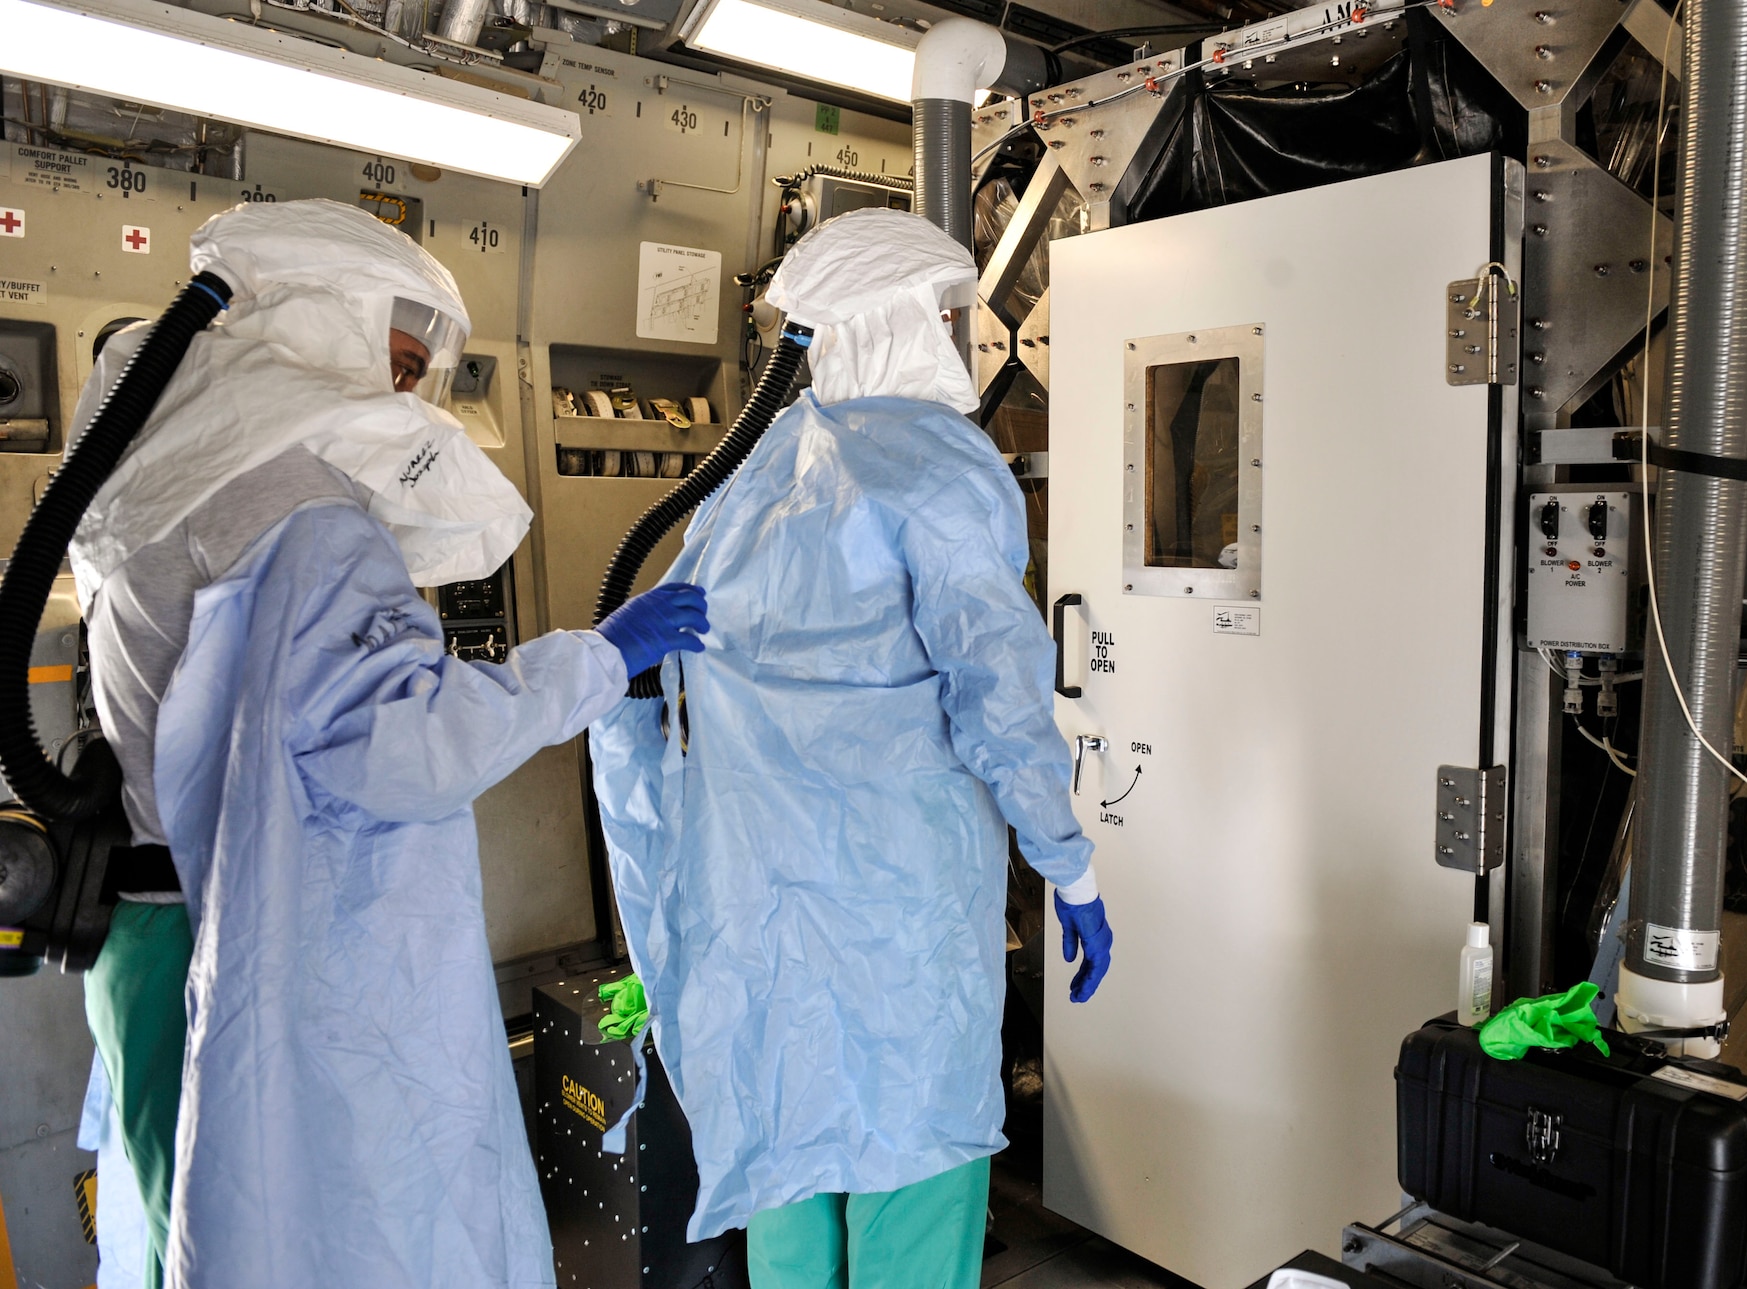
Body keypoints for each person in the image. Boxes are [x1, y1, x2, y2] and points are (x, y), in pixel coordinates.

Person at [67, 198, 708, 1289]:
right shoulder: (301, 510)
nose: (404, 391)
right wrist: (596, 658)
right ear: (317, 326)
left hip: (146, 925)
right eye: (397, 357)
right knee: (268, 1237)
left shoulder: (166, 458)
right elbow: (402, 748)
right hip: (241, 940)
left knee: (196, 1224)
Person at [589, 206, 1114, 1289]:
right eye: (949, 312)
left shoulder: (751, 478)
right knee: (911, 1161)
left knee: (795, 1161)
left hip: (761, 906)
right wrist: (1070, 863)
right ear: (900, 315)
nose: (962, 337)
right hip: (898, 913)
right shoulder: (943, 468)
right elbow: (997, 698)